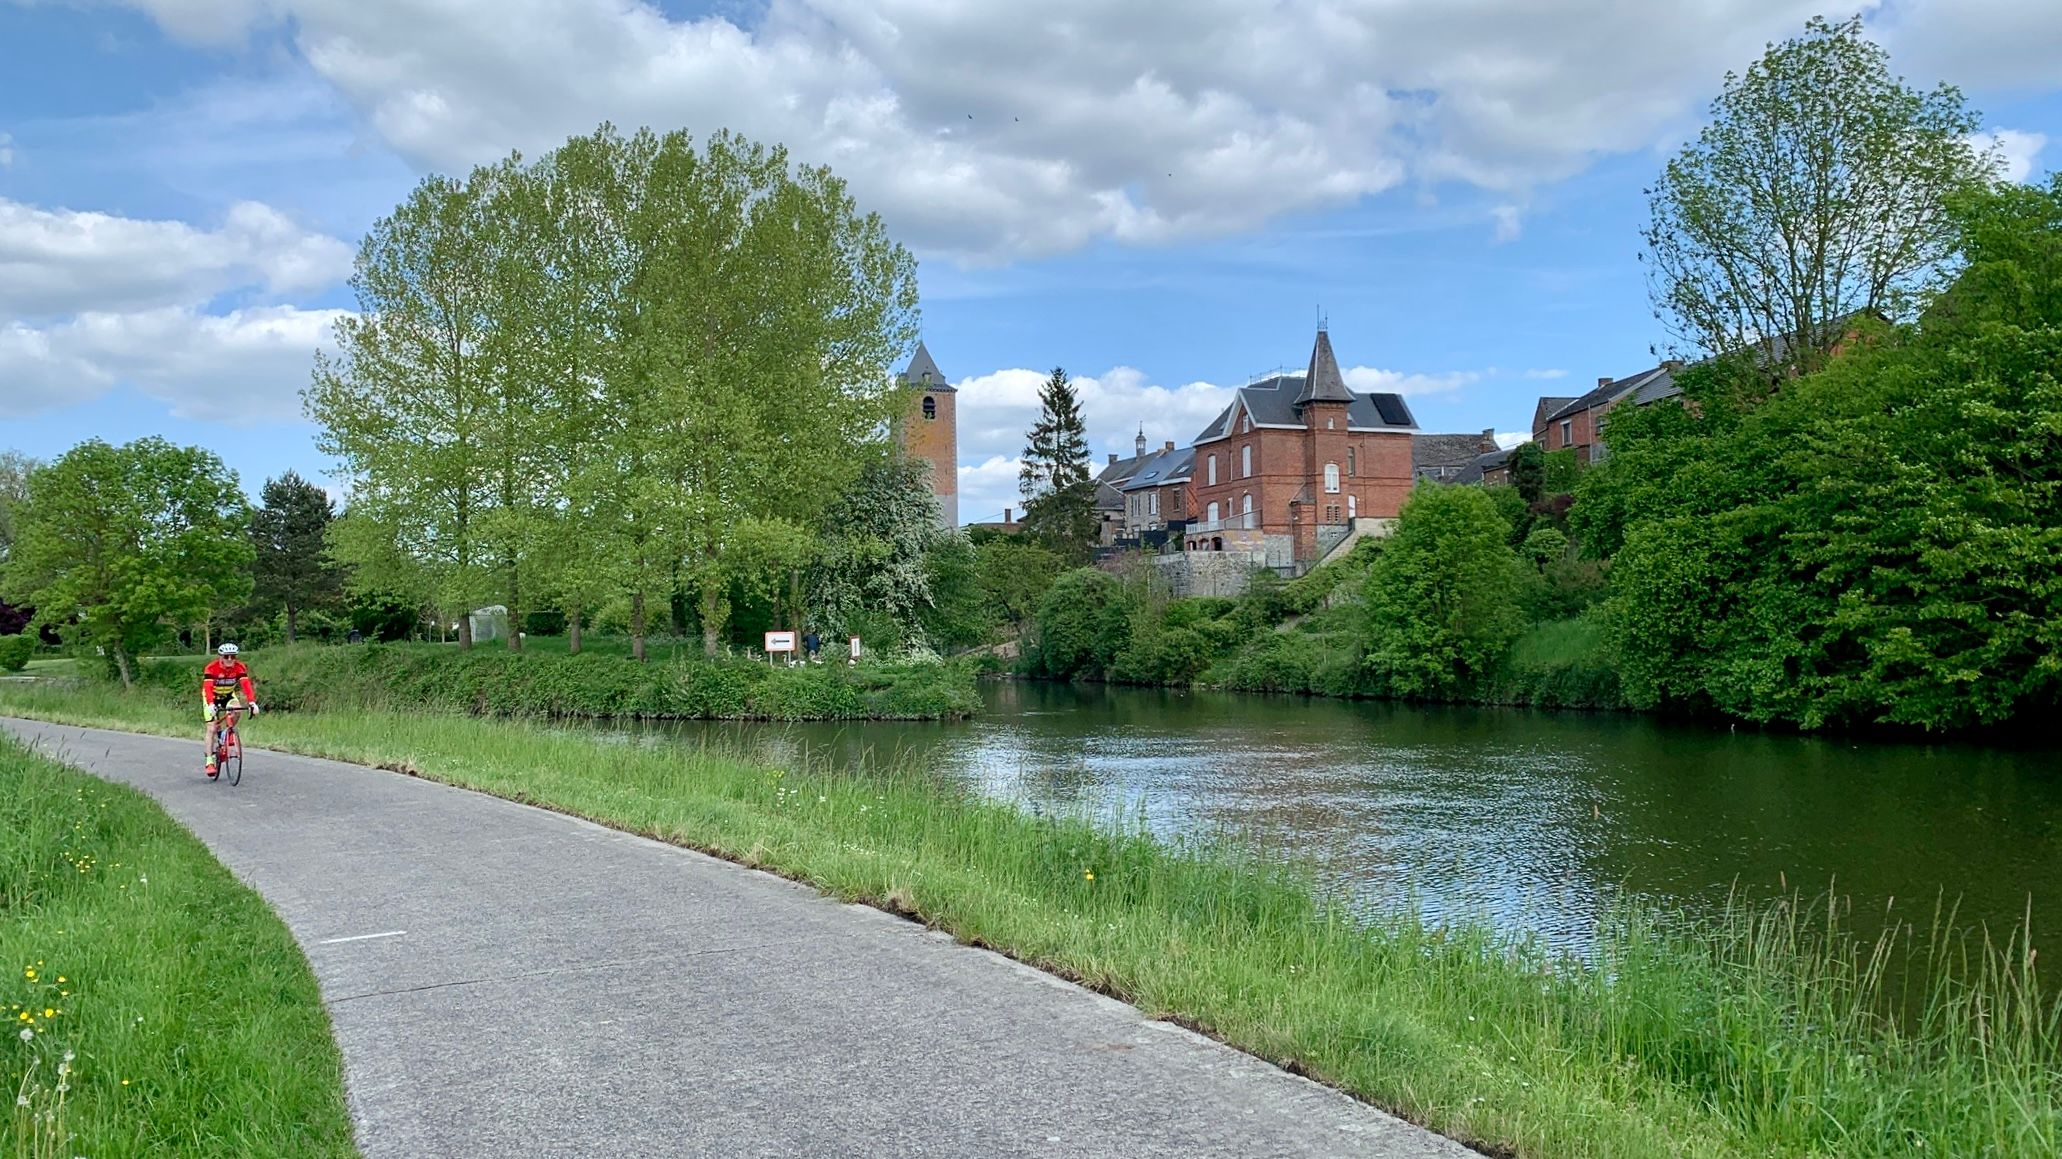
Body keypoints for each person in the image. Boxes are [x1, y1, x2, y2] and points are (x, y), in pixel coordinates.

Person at [201, 643, 259, 779]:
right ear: (220, 657)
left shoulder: (239, 667)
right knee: (211, 728)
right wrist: (210, 704)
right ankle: (209, 762)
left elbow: (246, 685)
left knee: (237, 709)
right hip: (212, 697)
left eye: (232, 656)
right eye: (226, 656)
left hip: (228, 695)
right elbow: (208, 688)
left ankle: (228, 732)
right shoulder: (211, 668)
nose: (229, 659)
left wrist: (252, 702)